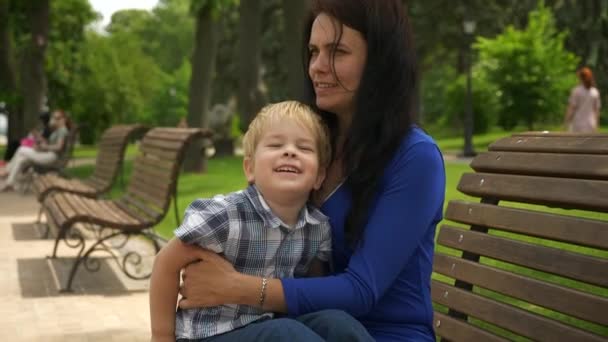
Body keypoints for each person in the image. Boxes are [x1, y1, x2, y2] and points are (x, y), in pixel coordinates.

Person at [176, 1, 445, 341]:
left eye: (337, 51)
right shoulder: (310, 146)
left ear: (380, 60)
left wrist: (235, 287)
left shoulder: (415, 158)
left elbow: (362, 290)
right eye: (313, 52)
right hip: (309, 327)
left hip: (384, 334)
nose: (317, 66)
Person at [149, 101, 335, 341]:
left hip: (267, 324)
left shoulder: (317, 228)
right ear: (250, 169)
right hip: (210, 333)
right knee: (286, 334)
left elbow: (310, 291)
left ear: (319, 176)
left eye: (304, 148)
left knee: (336, 321)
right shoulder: (226, 215)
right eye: (276, 144)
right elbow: (166, 262)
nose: (290, 151)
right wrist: (162, 335)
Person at [0, 109, 70, 191]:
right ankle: (10, 183)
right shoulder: (57, 130)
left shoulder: (62, 130)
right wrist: (41, 146)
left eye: (57, 118)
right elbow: (50, 143)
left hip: (52, 157)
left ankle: (7, 171)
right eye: (54, 117)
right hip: (48, 155)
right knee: (21, 159)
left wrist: (44, 147)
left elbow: (59, 147)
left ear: (64, 119)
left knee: (21, 149)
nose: (55, 120)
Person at [565, 67, 602, 133]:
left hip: (577, 123)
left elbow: (572, 108)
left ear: (581, 78)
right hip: (590, 124)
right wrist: (596, 124)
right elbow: (596, 111)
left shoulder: (576, 91)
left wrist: (566, 121)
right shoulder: (595, 92)